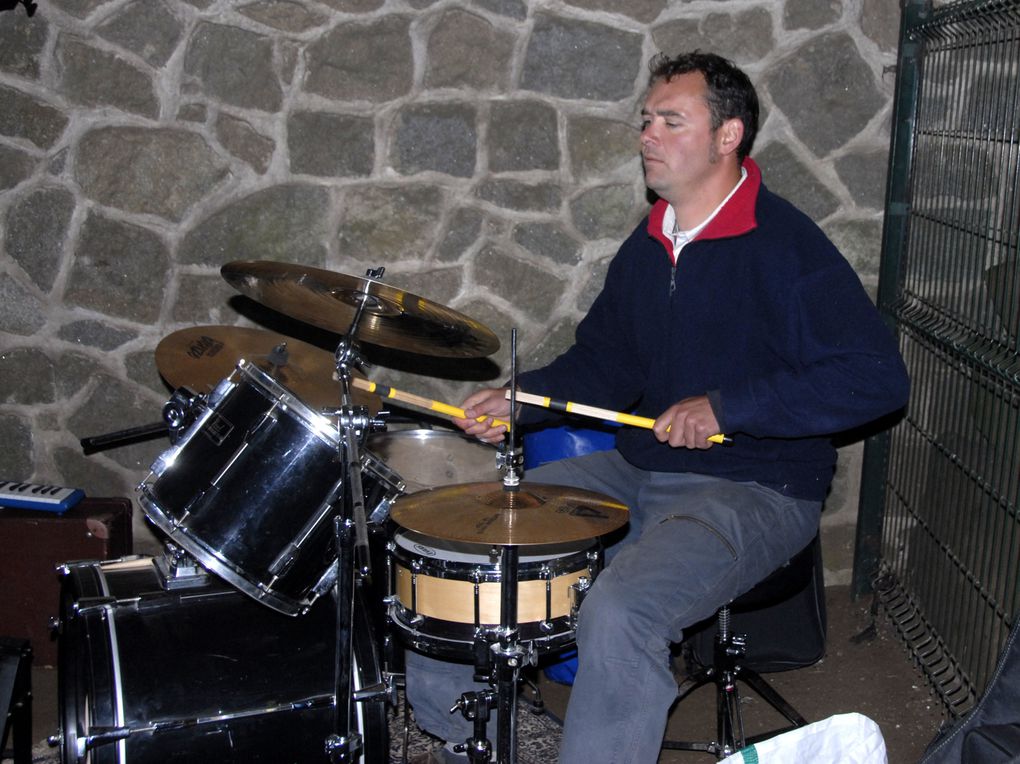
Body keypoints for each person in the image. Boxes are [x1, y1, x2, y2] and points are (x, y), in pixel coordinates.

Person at [404, 50, 910, 764]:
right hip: (644, 468)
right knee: (478, 529)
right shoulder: (649, 247)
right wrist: (523, 402)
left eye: (671, 121)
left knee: (622, 610)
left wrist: (729, 408)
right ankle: (454, 736)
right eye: (646, 121)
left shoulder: (788, 247)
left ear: (728, 135)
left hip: (756, 488)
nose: (648, 135)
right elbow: (605, 364)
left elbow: (876, 378)